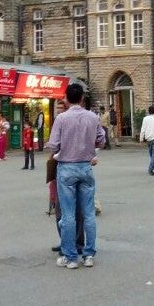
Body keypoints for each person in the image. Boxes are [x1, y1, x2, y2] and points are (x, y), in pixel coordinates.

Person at [47, 83, 105, 269]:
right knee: (88, 214)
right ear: (82, 98)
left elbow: (53, 144)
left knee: (68, 215)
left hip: (66, 168)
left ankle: (70, 256)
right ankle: (88, 255)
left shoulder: (61, 118)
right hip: (86, 167)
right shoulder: (92, 117)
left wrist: (59, 153)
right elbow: (101, 140)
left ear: (66, 98)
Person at [139, 105, 154, 175]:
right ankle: (152, 168)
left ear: (148, 111)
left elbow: (143, 129)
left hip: (148, 139)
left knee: (152, 155)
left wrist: (141, 139)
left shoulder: (145, 119)